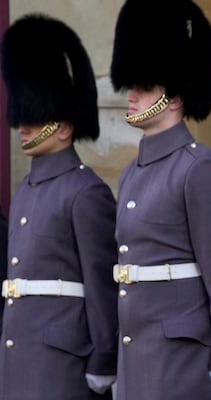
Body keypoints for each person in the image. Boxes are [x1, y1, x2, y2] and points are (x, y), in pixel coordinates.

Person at [109, 0, 211, 399]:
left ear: (175, 96)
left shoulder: (198, 168)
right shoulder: (133, 172)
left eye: (144, 87)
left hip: (183, 360)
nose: (131, 95)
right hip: (138, 358)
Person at [0, 14, 119, 399]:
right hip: (22, 351)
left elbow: (101, 284)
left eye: (35, 119)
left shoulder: (86, 192)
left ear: (64, 128)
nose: (24, 127)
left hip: (63, 359)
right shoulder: (27, 189)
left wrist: (104, 358)